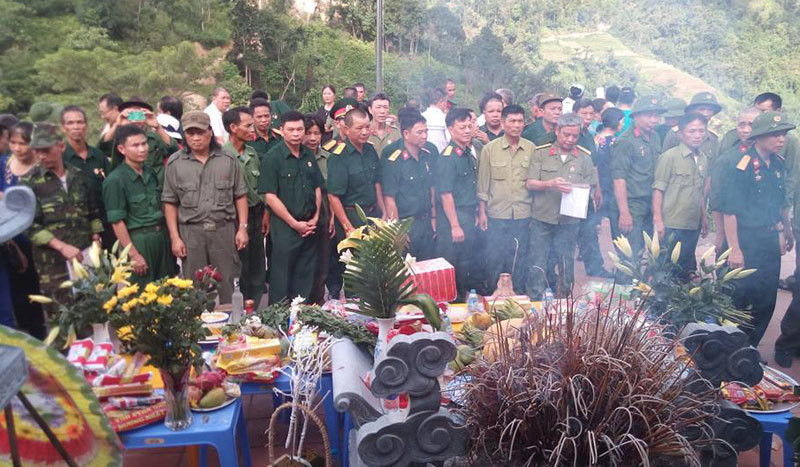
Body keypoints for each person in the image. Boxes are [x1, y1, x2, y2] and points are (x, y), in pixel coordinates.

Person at [721, 112, 794, 351]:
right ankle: (728, 350)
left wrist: (785, 232)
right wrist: (734, 249)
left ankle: (749, 349)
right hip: (745, 239)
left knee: (765, 298)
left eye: (783, 135)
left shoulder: (779, 164)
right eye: (775, 135)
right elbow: (729, 211)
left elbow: (780, 205)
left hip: (769, 241)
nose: (781, 139)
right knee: (738, 297)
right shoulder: (741, 165)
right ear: (760, 137)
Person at [162, 111, 248, 303]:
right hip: (192, 233)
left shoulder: (228, 159)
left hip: (223, 230)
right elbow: (170, 202)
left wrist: (242, 228)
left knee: (227, 282)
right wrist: (175, 238)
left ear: (210, 132)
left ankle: (231, 329)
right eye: (190, 133)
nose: (195, 138)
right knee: (194, 286)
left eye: (200, 132)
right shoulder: (175, 163)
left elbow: (240, 195)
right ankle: (197, 328)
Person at [22, 123, 103, 303]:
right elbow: (29, 226)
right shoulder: (29, 182)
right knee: (62, 317)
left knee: (91, 312)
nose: (41, 156)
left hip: (85, 258)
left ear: (61, 146)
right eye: (37, 151)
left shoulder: (79, 175)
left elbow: (93, 212)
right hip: (53, 265)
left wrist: (96, 239)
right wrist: (62, 247)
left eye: (46, 150)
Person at [526, 113, 598, 299]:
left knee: (566, 263)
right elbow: (530, 183)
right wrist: (550, 184)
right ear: (557, 131)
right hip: (543, 217)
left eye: (574, 136)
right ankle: (536, 301)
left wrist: (581, 192)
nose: (570, 139)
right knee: (538, 262)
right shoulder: (541, 153)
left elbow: (590, 186)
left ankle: (564, 303)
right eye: (566, 134)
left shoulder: (584, 158)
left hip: (569, 221)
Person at [259, 111, 322, 304]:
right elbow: (270, 196)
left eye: (299, 129)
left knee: (305, 277)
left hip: (309, 226)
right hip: (286, 228)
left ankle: (301, 322)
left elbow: (318, 187)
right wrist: (295, 224)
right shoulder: (273, 158)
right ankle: (279, 322)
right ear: (281, 131)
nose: (296, 134)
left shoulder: (308, 154)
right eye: (291, 129)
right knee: (282, 278)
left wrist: (315, 218)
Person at [102, 125, 176, 288]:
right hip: (138, 241)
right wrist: (133, 255)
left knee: (167, 292)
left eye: (144, 144)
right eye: (135, 145)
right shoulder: (115, 180)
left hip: (160, 237)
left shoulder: (150, 173)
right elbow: (117, 222)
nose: (142, 149)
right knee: (142, 297)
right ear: (122, 149)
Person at [326, 108, 384, 298]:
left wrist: (382, 214)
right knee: (354, 272)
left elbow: (376, 183)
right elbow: (333, 196)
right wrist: (347, 226)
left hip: (371, 216)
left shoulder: (369, 150)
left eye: (368, 126)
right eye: (360, 128)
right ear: (347, 129)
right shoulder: (338, 156)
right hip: (350, 216)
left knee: (374, 270)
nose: (365, 132)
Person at [477, 104, 533, 293]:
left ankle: (518, 295)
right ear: (503, 123)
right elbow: (483, 184)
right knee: (494, 256)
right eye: (512, 121)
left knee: (519, 256)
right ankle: (490, 295)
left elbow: (534, 184)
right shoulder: (490, 150)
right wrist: (482, 211)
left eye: (520, 121)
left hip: (523, 213)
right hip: (497, 213)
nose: (517, 125)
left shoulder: (531, 149)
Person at [652, 113, 711, 277]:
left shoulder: (704, 159)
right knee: (665, 270)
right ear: (680, 134)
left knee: (685, 269)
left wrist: (703, 216)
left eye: (701, 131)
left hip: (692, 224)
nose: (697, 135)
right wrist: (658, 220)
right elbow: (658, 189)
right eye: (692, 131)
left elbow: (700, 191)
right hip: (672, 223)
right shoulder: (669, 157)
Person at [610, 96, 666, 264]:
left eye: (656, 116)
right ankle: (623, 287)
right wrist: (624, 212)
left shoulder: (655, 137)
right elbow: (619, 179)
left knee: (647, 249)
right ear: (635, 116)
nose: (654, 120)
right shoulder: (625, 142)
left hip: (650, 202)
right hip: (632, 203)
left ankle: (640, 288)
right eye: (649, 115)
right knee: (629, 254)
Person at [2, 122, 45, 338]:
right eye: (13, 142)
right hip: (13, 241)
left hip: (41, 240)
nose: (17, 148)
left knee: (42, 295)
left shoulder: (42, 167)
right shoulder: (3, 166)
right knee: (21, 297)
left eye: (23, 143)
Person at [222, 106, 266, 307]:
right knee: (238, 267)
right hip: (233, 219)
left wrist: (266, 213)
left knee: (257, 266)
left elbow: (259, 189)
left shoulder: (252, 153)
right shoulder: (222, 156)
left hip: (256, 214)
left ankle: (254, 310)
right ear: (233, 127)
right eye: (248, 125)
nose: (252, 129)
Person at [435, 108, 479, 300]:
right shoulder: (448, 157)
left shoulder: (468, 153)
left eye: (470, 126)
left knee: (467, 262)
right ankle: (453, 305)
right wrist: (454, 225)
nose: (467, 130)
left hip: (468, 215)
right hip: (454, 217)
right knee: (453, 264)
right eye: (462, 127)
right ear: (451, 129)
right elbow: (445, 194)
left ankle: (462, 301)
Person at [381, 110, 436, 260]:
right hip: (407, 224)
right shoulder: (394, 160)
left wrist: (434, 217)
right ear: (406, 134)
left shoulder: (427, 154)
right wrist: (398, 230)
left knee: (427, 268)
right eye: (419, 132)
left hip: (426, 222)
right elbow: (389, 198)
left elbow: (431, 188)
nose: (424, 136)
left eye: (426, 131)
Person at [710, 107, 760, 254]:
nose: (745, 130)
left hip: (761, 232)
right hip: (734, 229)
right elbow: (716, 199)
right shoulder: (727, 159)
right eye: (741, 124)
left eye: (751, 125)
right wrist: (720, 232)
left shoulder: (770, 157)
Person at [61, 106, 113, 244]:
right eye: (70, 123)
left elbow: (110, 186)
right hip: (77, 229)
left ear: (86, 126)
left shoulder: (98, 155)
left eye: (80, 122)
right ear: (63, 128)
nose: (76, 127)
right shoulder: (60, 158)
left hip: (106, 224)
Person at [101, 98, 179, 190]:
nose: (136, 119)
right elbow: (103, 148)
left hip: (156, 191)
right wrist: (117, 124)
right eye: (132, 115)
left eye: (140, 114)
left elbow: (174, 150)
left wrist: (158, 127)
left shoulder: (154, 138)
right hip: (130, 190)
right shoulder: (118, 138)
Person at [571, 100, 610, 278]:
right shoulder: (570, 133)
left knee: (589, 230)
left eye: (591, 114)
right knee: (568, 232)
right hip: (570, 189)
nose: (588, 118)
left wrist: (598, 189)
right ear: (574, 113)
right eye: (583, 113)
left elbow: (594, 165)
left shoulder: (589, 135)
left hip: (586, 189)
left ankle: (595, 267)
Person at [303, 115, 335, 304]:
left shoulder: (328, 158)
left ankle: (319, 301)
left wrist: (331, 216)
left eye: (317, 133)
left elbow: (332, 190)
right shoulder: (298, 157)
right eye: (309, 133)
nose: (313, 138)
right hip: (302, 215)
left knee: (323, 260)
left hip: (323, 213)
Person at [662, 92, 721, 161]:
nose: (706, 113)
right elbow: (666, 160)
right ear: (692, 110)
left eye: (710, 110)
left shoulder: (713, 139)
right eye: (701, 109)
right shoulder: (676, 133)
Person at [368, 93, 401, 157]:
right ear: (370, 110)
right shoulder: (363, 132)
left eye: (385, 107)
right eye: (378, 107)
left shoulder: (396, 132)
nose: (382, 111)